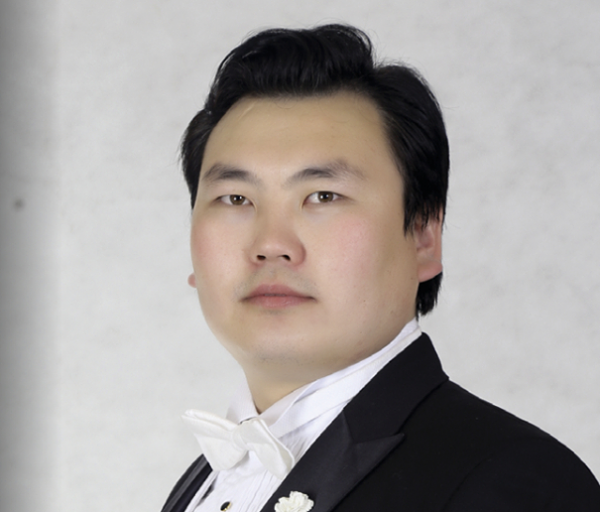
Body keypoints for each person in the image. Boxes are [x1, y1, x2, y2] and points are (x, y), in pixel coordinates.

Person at [161, 24, 600, 512]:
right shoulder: (205, 484)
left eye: (323, 196)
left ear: (424, 236)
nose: (271, 245)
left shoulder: (517, 481)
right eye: (235, 198)